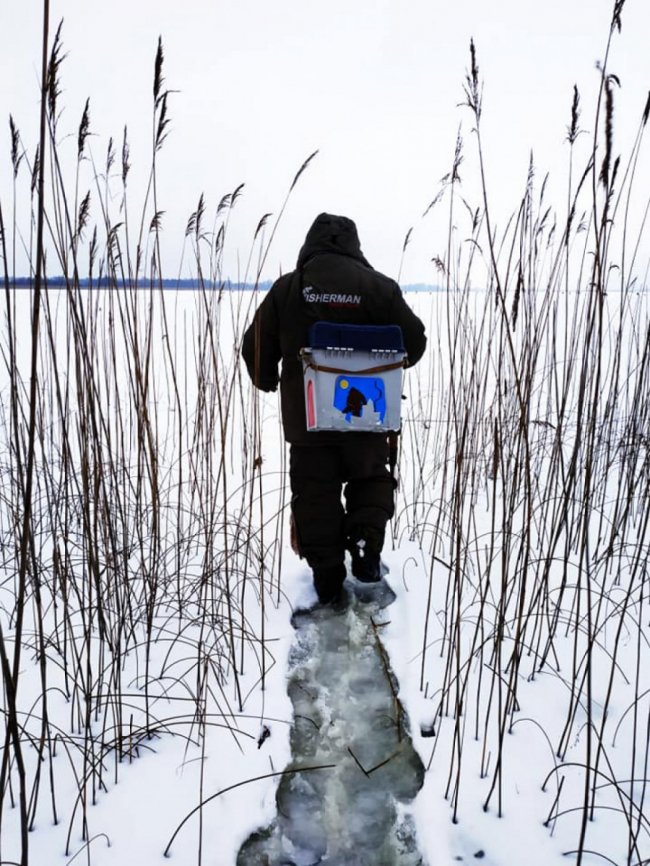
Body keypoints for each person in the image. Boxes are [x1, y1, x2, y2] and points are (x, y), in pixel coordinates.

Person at [242, 213, 426, 604]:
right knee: (370, 478)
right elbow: (416, 341)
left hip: (308, 424)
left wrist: (266, 378)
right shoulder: (380, 288)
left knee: (315, 493)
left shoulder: (288, 290)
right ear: (354, 246)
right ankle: (365, 546)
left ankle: (327, 577)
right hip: (368, 417)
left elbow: (254, 347)